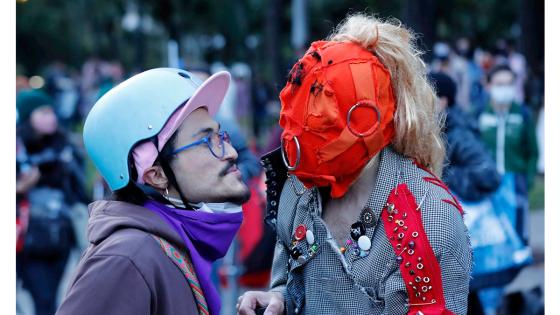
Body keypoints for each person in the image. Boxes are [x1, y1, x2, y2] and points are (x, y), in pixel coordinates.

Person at [238, 14, 472, 315]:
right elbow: (291, 279)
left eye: (327, 118)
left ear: (372, 121)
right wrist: (280, 299)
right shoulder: (299, 191)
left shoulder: (430, 220)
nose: (306, 134)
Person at [56, 68, 251, 315]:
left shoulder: (167, 243)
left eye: (220, 136)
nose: (231, 152)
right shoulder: (125, 259)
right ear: (156, 175)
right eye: (206, 142)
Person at [16, 89, 87, 315]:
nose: (52, 117)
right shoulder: (16, 150)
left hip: (61, 236)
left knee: (56, 297)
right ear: (28, 116)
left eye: (52, 111)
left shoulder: (64, 146)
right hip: (29, 240)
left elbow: (79, 190)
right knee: (43, 301)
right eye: (44, 112)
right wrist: (19, 187)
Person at [477, 64, 538, 246]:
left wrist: (527, 180)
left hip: (516, 180)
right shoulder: (479, 114)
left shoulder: (523, 114)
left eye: (509, 84)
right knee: (492, 232)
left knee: (518, 232)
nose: (504, 88)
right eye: (499, 84)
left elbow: (533, 152)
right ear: (489, 86)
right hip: (488, 181)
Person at [428, 71, 501, 202]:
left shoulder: (458, 133)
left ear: (443, 101)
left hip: (464, 213)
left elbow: (489, 175)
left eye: (425, 97)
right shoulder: (441, 128)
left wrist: (442, 176)